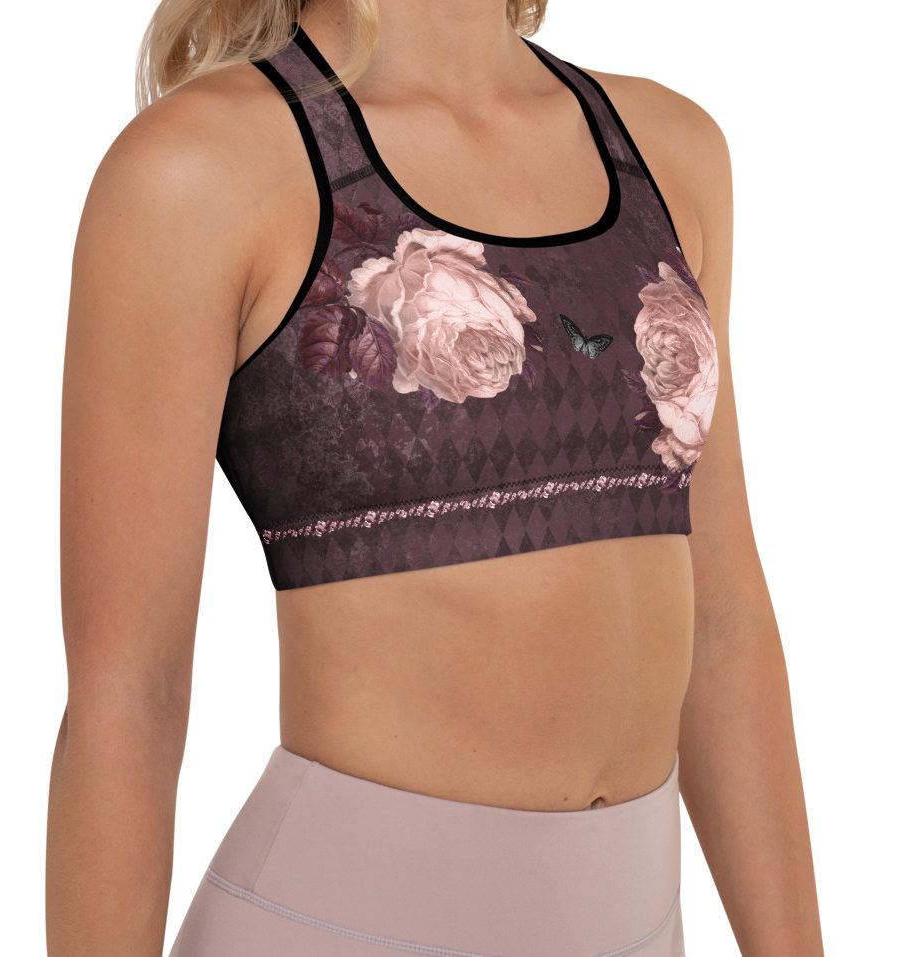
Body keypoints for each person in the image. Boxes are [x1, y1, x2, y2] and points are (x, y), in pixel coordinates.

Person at [46, 1, 824, 955]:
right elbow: (130, 696)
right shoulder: (201, 168)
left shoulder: (668, 149)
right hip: (338, 927)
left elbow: (725, 621)